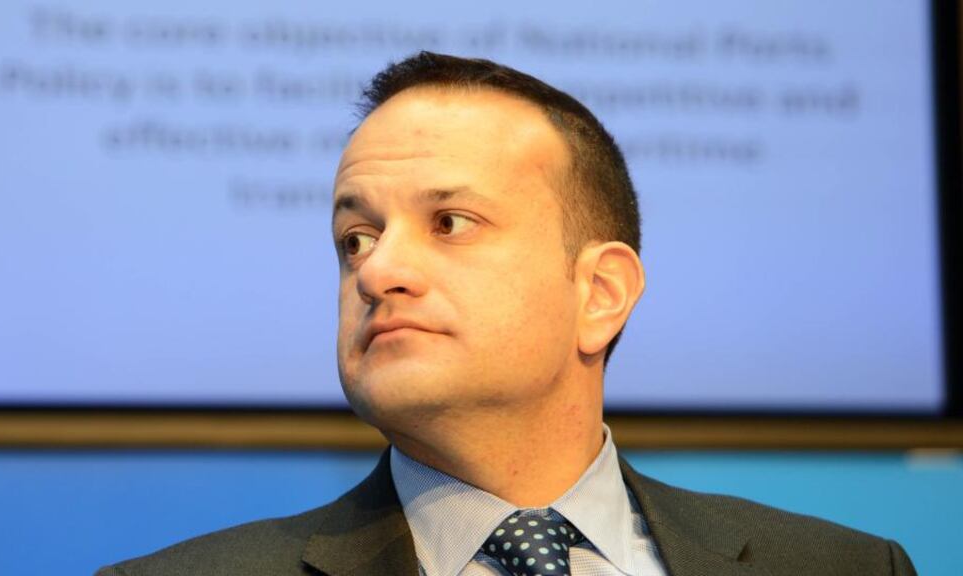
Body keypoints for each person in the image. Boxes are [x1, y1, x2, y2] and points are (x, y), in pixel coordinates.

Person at [97, 52, 917, 576]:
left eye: (449, 223)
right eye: (355, 237)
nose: (377, 269)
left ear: (600, 293)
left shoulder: (841, 567)